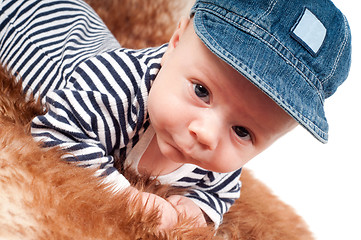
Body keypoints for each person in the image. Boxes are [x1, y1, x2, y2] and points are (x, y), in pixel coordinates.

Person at [0, 0, 351, 230]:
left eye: (243, 132)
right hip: (25, 19)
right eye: (201, 91)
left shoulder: (220, 167)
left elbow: (221, 195)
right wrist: (126, 195)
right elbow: (59, 130)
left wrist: (195, 210)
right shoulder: (113, 87)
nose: (207, 134)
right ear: (175, 42)